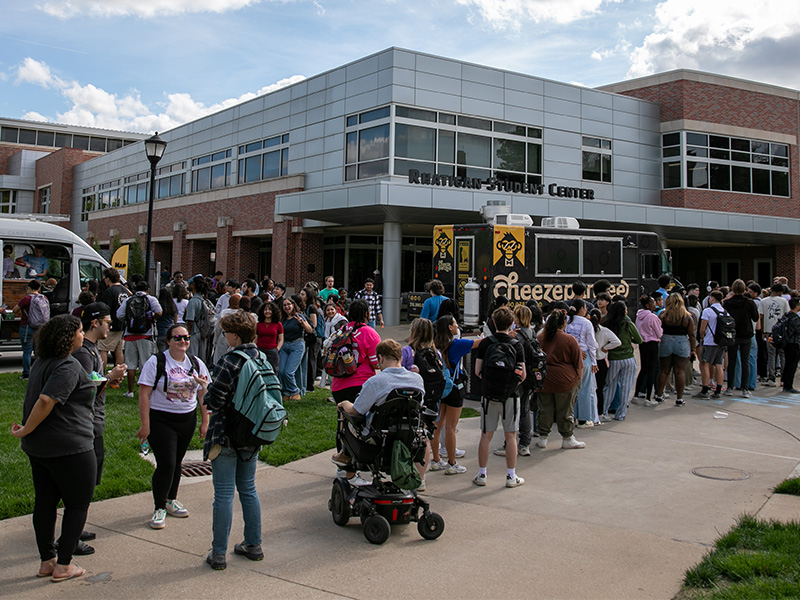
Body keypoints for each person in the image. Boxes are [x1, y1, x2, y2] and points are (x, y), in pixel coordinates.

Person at [11, 315, 94, 582]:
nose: (83, 335)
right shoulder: (67, 366)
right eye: (80, 331)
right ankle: (65, 565)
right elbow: (46, 401)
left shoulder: (41, 362)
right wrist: (25, 429)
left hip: (40, 448)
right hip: (70, 446)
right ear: (68, 337)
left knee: (45, 503)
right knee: (77, 505)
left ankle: (47, 561)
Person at [203, 311, 268, 570]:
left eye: (227, 332)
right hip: (253, 434)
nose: (225, 336)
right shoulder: (262, 358)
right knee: (249, 490)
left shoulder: (230, 360)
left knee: (224, 495)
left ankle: (218, 553)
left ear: (235, 335)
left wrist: (207, 391)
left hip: (225, 434)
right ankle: (253, 544)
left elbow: (215, 400)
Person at [137, 323, 211, 529]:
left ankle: (171, 500)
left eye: (186, 338)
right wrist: (145, 425)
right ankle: (159, 507)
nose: (183, 341)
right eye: (177, 338)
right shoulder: (157, 362)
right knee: (167, 463)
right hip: (161, 419)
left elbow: (203, 393)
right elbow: (144, 394)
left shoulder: (196, 364)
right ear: (168, 341)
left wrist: (205, 421)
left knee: (177, 462)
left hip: (186, 420)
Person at [71, 303, 127, 553]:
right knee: (83, 481)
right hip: (88, 423)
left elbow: (94, 385)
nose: (110, 326)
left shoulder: (91, 350)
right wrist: (111, 377)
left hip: (95, 420)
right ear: (95, 323)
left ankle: (76, 526)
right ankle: (71, 536)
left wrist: (109, 380)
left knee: (88, 481)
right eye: (107, 321)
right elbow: (82, 390)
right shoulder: (85, 353)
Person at [335, 339, 426, 473]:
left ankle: (347, 465)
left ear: (380, 358)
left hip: (377, 437)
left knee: (346, 417)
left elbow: (356, 411)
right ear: (400, 357)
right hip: (407, 434)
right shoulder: (417, 380)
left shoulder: (376, 382)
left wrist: (344, 404)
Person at [472, 306, 526, 488]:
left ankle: (482, 474)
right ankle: (511, 476)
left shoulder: (486, 343)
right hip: (510, 394)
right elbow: (522, 374)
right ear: (511, 323)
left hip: (489, 394)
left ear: (493, 323)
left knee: (486, 435)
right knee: (511, 435)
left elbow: (478, 371)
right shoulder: (516, 344)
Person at [330, 299, 381, 487]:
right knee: (356, 429)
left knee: (343, 425)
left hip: (338, 385)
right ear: (367, 313)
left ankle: (342, 465)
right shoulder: (370, 333)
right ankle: (350, 471)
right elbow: (377, 363)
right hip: (359, 385)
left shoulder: (342, 330)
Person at [536, 308, 586, 449]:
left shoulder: (541, 338)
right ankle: (567, 437)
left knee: (545, 409)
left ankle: (543, 436)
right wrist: (578, 379)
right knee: (565, 410)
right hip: (565, 380)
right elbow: (578, 363)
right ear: (563, 323)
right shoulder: (569, 340)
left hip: (545, 379)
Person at [117, 281, 162, 398]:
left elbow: (119, 315)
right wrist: (152, 317)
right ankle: (146, 391)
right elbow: (159, 311)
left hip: (130, 335)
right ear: (147, 289)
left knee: (130, 364)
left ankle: (130, 391)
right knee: (146, 364)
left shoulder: (128, 300)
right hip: (146, 335)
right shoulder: (151, 299)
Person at [601, 301, 643, 421]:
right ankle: (621, 414)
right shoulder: (628, 325)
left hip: (613, 359)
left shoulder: (606, 324)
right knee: (626, 387)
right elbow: (639, 340)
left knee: (610, 386)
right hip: (628, 359)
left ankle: (603, 412)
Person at [654, 293, 696, 406]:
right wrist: (693, 349)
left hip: (665, 341)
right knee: (679, 371)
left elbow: (658, 329)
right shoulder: (687, 317)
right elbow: (691, 335)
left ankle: (658, 395)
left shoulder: (663, 315)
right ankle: (679, 398)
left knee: (664, 371)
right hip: (682, 342)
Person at [565, 299, 598, 426]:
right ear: (582, 309)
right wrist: (594, 362)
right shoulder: (586, 323)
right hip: (584, 357)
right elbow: (591, 344)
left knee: (571, 388)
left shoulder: (566, 321)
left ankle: (570, 416)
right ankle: (583, 418)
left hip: (568, 357)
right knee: (584, 388)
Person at [722, 279, 759, 397]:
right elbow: (755, 318)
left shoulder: (727, 303)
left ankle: (730, 387)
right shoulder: (749, 302)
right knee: (745, 361)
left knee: (732, 361)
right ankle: (745, 388)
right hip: (746, 333)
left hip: (732, 334)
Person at [693, 291, 727, 400]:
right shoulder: (725, 312)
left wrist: (701, 337)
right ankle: (718, 390)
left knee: (705, 364)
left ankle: (705, 389)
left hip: (709, 341)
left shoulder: (707, 311)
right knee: (718, 365)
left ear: (712, 299)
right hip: (721, 341)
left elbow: (702, 329)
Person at [277, 296, 312, 401]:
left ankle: (295, 391)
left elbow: (310, 330)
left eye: (289, 304)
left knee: (289, 372)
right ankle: (287, 393)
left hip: (297, 344)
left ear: (293, 305)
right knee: (281, 371)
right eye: (284, 305)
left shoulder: (299, 316)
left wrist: (302, 323)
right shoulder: (281, 319)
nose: (287, 307)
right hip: (284, 345)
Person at [12, 279, 47, 380]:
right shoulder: (44, 298)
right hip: (40, 327)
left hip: (27, 327)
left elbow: (15, 310)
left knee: (27, 351)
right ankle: (39, 372)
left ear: (28, 288)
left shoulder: (26, 299)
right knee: (38, 352)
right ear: (39, 288)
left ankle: (26, 373)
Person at [633, 294, 663, 406]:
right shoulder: (652, 317)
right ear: (648, 305)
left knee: (643, 369)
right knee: (651, 370)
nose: (654, 304)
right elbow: (659, 333)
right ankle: (648, 397)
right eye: (653, 302)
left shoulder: (639, 315)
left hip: (642, 344)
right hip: (652, 343)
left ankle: (636, 394)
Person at [98, 267, 130, 372]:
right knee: (119, 350)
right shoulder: (125, 290)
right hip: (123, 325)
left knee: (103, 349)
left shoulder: (109, 291)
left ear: (108, 278)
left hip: (111, 325)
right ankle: (119, 376)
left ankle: (101, 375)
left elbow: (106, 309)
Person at [591, 308, 621, 418]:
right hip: (601, 362)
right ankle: (599, 413)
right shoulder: (604, 330)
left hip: (590, 362)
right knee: (600, 388)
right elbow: (617, 342)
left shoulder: (589, 330)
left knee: (590, 388)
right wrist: (606, 348)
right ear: (601, 318)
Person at [759, 283, 789, 387]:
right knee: (782, 354)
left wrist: (762, 331)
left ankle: (771, 377)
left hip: (769, 330)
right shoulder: (784, 301)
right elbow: (787, 315)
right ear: (780, 292)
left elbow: (761, 317)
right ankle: (784, 379)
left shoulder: (763, 301)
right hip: (781, 331)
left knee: (771, 354)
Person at [299, 286, 321, 394]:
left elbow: (314, 324)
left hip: (314, 338)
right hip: (307, 337)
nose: (300, 296)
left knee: (312, 359)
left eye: (303, 294)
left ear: (308, 296)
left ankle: (310, 385)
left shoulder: (311, 308)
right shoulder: (304, 307)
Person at [213, 294, 241, 365]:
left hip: (223, 337)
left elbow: (217, 329)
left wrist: (215, 341)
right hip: (236, 339)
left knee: (220, 361)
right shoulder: (241, 314)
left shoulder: (224, 313)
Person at [256, 301, 283, 373]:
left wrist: (277, 349)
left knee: (273, 371)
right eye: (265, 310)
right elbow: (255, 338)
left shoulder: (278, 324)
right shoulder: (258, 325)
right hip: (260, 350)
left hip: (272, 351)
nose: (267, 312)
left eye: (270, 310)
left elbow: (281, 339)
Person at [780, 298, 800, 393]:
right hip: (793, 343)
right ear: (796, 306)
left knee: (788, 363)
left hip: (787, 342)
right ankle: (788, 385)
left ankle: (785, 382)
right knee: (792, 364)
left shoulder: (786, 316)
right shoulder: (795, 318)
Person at [155, 288, 177, 353]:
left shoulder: (158, 306)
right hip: (170, 332)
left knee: (162, 353)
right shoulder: (173, 306)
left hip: (160, 332)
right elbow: (175, 320)